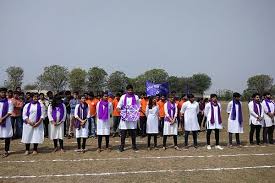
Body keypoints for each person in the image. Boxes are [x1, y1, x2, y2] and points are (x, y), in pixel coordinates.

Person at [117, 84, 140, 152]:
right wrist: (119, 109)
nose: (130, 91)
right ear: (126, 90)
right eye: (128, 90)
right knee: (123, 132)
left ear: (133, 90)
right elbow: (119, 106)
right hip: (125, 117)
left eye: (131, 90)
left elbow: (139, 106)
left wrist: (136, 111)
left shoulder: (136, 97)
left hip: (132, 117)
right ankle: (122, 146)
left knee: (133, 132)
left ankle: (134, 145)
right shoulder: (123, 97)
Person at [0, 88, 14, 158]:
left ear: (6, 93)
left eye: (4, 92)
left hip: (6, 121)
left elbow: (10, 112)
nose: (3, 94)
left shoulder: (9, 102)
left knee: (7, 136)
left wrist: (2, 118)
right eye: (1, 92)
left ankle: (6, 151)